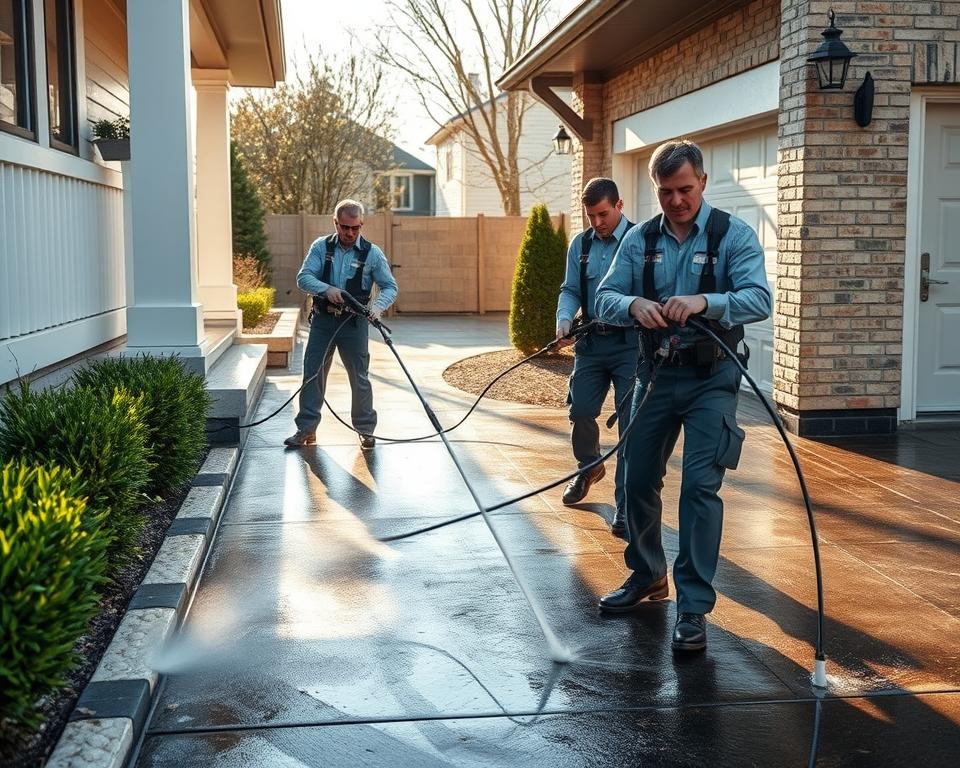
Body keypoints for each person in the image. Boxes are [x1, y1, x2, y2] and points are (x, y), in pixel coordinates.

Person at [594, 140, 771, 652]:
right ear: (655, 189)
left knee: (698, 488)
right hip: (653, 375)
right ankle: (648, 573)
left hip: (711, 379)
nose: (676, 201)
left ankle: (693, 607)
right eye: (666, 191)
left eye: (685, 189)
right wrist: (631, 305)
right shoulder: (639, 240)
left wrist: (706, 301)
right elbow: (604, 296)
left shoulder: (731, 234)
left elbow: (759, 298)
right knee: (635, 480)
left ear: (703, 182)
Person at [555, 178, 637, 535]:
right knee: (581, 411)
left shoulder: (639, 240)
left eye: (603, 214)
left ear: (619, 205)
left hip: (631, 345)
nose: (597, 222)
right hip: (590, 344)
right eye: (591, 216)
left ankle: (625, 503)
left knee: (630, 425)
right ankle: (589, 467)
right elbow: (571, 288)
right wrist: (562, 321)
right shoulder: (581, 244)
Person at [285, 199, 398, 450]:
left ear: (361, 224)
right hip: (323, 321)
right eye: (344, 227)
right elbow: (304, 278)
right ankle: (306, 429)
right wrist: (327, 289)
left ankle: (366, 431)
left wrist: (377, 309)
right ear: (335, 223)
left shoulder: (372, 254)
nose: (349, 233)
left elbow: (390, 286)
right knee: (312, 373)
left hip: (354, 325)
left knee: (359, 378)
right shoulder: (320, 247)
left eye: (355, 228)